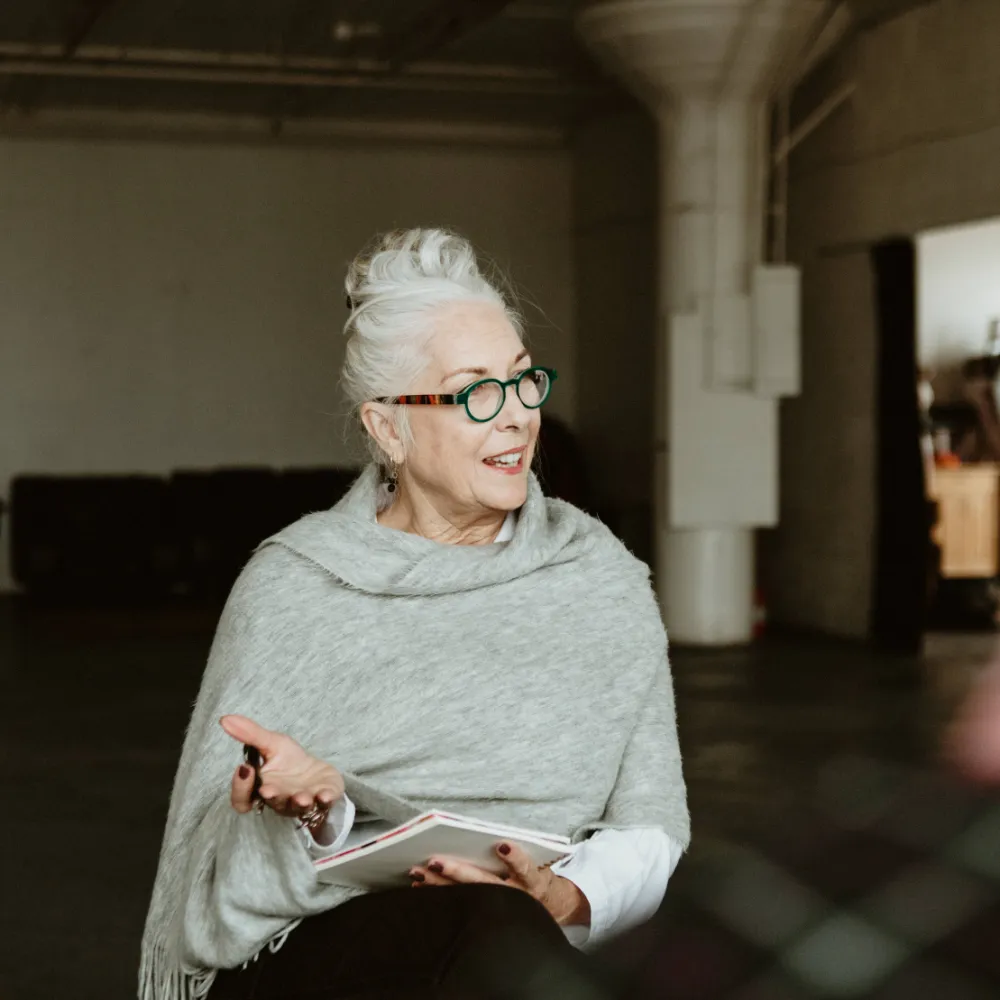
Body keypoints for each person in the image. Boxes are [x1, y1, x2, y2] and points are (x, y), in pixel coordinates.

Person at [140, 229, 690, 1000]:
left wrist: (561, 897)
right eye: (475, 393)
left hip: (528, 944)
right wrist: (318, 812)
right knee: (487, 936)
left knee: (501, 934)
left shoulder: (599, 574)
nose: (517, 418)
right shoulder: (298, 584)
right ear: (387, 427)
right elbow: (211, 876)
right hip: (317, 954)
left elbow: (651, 824)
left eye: (526, 382)